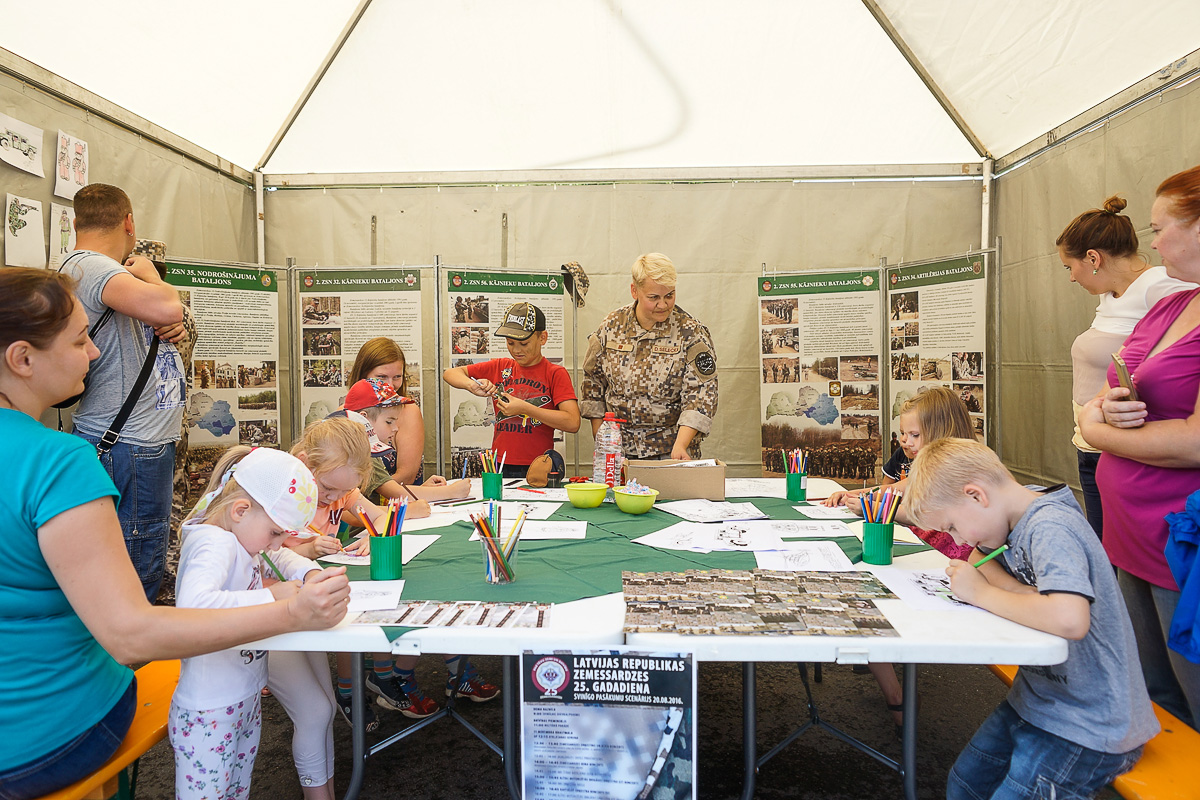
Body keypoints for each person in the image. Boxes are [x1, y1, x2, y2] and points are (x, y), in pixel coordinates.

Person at [0, 267, 349, 800]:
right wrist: (288, 611)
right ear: (22, 359)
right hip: (45, 735)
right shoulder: (58, 463)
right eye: (80, 339)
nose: (94, 354)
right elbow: (129, 635)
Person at [904, 437, 1157, 799]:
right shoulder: (1012, 513)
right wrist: (1022, 594)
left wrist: (984, 594)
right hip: (1039, 700)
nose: (957, 539)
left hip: (1090, 723)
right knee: (963, 784)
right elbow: (980, 557)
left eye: (953, 526)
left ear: (977, 496)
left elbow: (1070, 619)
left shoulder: (1050, 526)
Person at [1079, 164, 1200, 729]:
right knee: (1152, 693)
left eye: (1159, 227)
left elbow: (1195, 441)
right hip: (1133, 532)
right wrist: (1103, 418)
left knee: (1191, 691)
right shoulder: (1169, 306)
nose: (1150, 242)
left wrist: (1100, 430)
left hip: (1182, 544)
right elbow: (1102, 399)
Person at [171, 447, 334, 800]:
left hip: (240, 697)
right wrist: (275, 598)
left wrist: (309, 572)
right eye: (275, 532)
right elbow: (195, 607)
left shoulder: (241, 536)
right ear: (241, 510)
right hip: (211, 707)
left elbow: (280, 553)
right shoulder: (214, 543)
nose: (276, 543)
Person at [61, 184, 186, 602]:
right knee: (139, 565)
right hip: (127, 442)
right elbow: (169, 308)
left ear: (76, 222)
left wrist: (174, 324)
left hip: (135, 440)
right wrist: (154, 279)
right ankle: (131, 662)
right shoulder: (94, 266)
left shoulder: (91, 269)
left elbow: (163, 321)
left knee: (140, 554)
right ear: (129, 222)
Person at [1056, 196, 1194, 539]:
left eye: (1068, 267)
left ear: (1093, 258)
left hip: (1124, 446)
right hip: (1091, 446)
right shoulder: (1111, 295)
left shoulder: (1161, 287)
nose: (1071, 278)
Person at [581, 253, 718, 460]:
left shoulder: (690, 332)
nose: (663, 305)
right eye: (653, 297)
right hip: (618, 450)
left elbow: (701, 395)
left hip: (670, 450)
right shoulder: (611, 326)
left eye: (669, 296)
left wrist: (681, 446)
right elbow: (593, 382)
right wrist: (602, 438)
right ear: (634, 291)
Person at [443, 302, 580, 478]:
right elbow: (450, 373)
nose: (516, 350)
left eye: (524, 343)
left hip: (538, 465)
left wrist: (525, 408)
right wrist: (472, 385)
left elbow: (572, 422)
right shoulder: (500, 366)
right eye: (510, 343)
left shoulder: (555, 373)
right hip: (499, 463)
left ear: (543, 338)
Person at [347, 337, 426, 483]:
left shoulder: (409, 411)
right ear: (363, 375)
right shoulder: (344, 413)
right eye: (382, 377)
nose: (390, 385)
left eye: (397, 377)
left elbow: (407, 476)